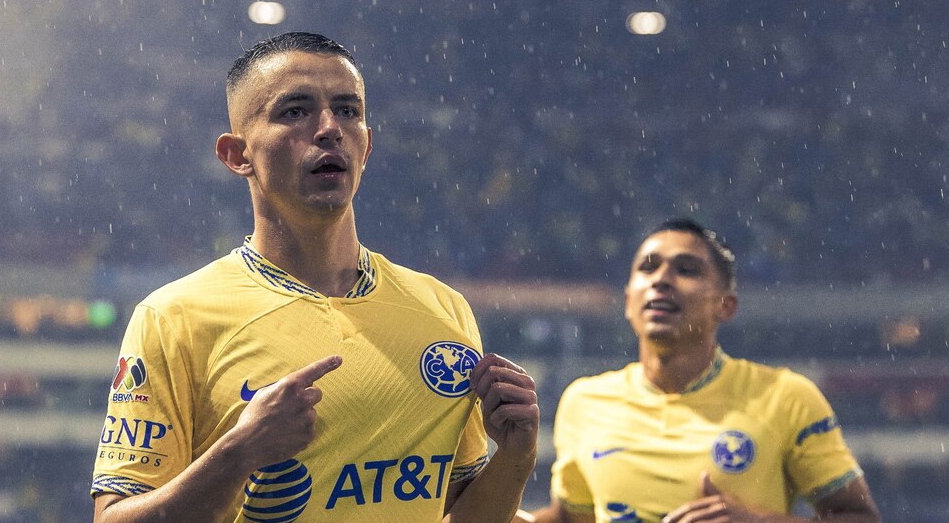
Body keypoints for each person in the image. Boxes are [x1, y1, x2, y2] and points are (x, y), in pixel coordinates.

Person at [90, 31, 539, 523]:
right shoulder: (173, 317)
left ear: (366, 147)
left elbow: (460, 513)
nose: (329, 128)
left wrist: (515, 456)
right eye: (295, 111)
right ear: (236, 155)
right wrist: (239, 452)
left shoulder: (443, 308)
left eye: (348, 111)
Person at [526, 219, 880, 523]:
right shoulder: (585, 401)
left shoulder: (785, 396)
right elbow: (572, 518)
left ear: (725, 305)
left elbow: (861, 518)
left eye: (686, 269)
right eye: (648, 267)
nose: (662, 279)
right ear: (628, 301)